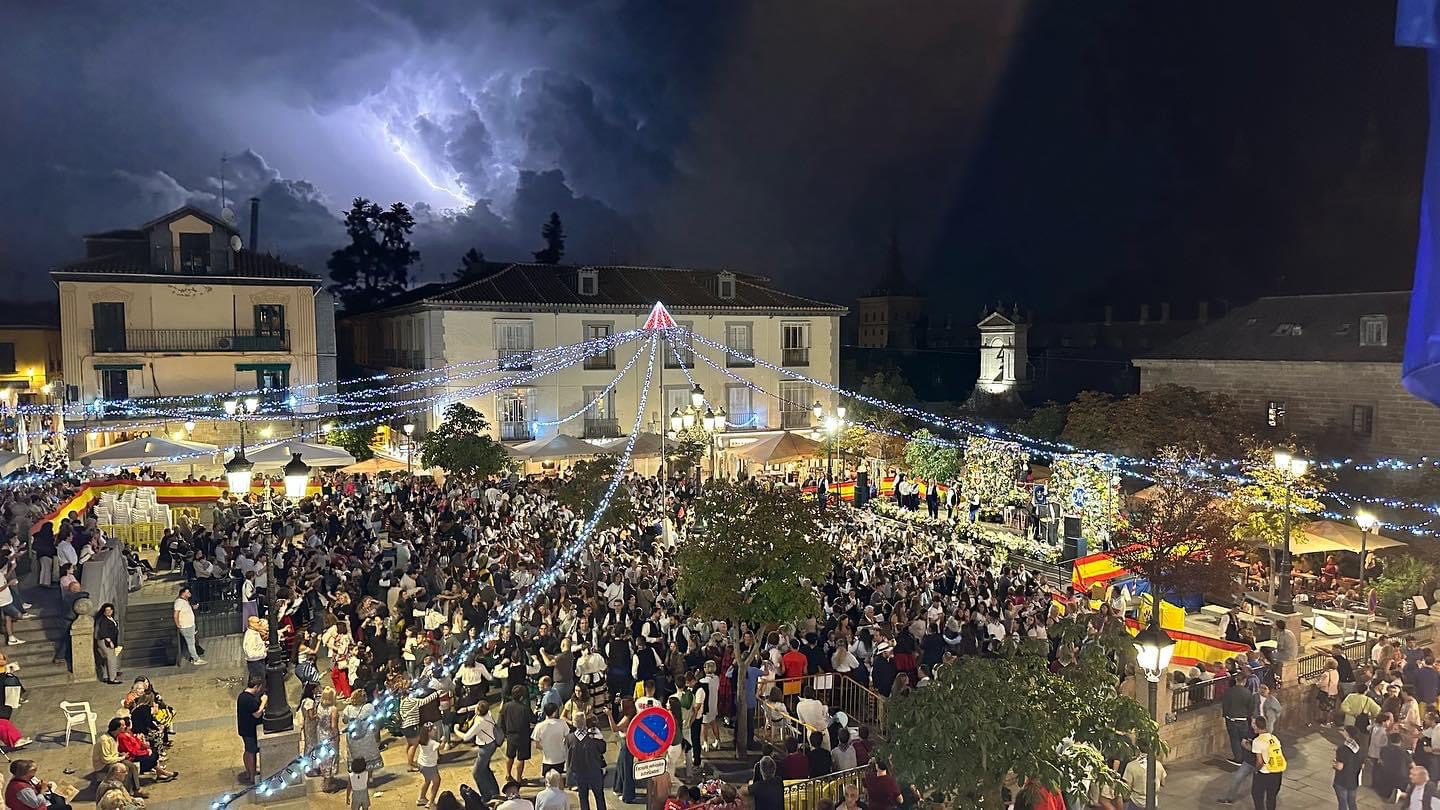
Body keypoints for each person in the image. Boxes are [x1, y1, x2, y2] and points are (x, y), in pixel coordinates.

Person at [458, 700, 501, 803]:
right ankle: (494, 791)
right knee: (485, 768)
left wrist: (456, 729)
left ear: (478, 711)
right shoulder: (488, 713)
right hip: (492, 743)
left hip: (485, 748)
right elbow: (477, 706)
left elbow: (466, 737)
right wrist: (467, 709)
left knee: (477, 773)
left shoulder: (479, 722)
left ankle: (486, 795)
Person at [567, 716, 607, 810]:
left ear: (574, 724)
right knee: (599, 797)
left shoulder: (570, 738)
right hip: (594, 772)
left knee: (583, 798)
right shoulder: (594, 738)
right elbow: (603, 749)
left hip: (579, 773)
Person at [236, 675, 267, 785]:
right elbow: (257, 714)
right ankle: (252, 776)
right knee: (251, 752)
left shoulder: (242, 695)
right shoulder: (248, 699)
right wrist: (264, 702)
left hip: (244, 728)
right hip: (249, 730)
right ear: (257, 686)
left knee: (248, 751)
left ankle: (250, 773)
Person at [4, 759, 70, 810]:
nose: (34, 776)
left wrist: (39, 786)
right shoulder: (22, 789)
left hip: (31, 804)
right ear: (24, 775)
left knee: (60, 799)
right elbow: (35, 804)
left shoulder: (19, 779)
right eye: (31, 775)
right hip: (32, 807)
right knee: (66, 807)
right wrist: (42, 791)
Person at [1249, 716, 1285, 810]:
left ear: (1257, 727)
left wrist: (1256, 771)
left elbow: (1260, 761)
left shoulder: (1257, 741)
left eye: (1253, 724)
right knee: (1271, 798)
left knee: (1257, 795)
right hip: (1277, 772)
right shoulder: (1274, 738)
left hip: (1265, 773)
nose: (1252, 726)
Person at [500, 685, 532, 784]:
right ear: (522, 696)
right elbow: (532, 719)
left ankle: (508, 774)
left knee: (510, 756)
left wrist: (504, 733)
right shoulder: (524, 708)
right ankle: (519, 778)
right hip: (522, 736)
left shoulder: (506, 706)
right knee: (521, 758)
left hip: (510, 735)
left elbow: (501, 721)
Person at [532, 702, 569, 777]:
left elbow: (537, 745)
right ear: (555, 712)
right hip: (560, 758)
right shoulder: (562, 724)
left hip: (547, 759)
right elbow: (567, 739)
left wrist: (547, 748)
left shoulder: (539, 726)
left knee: (548, 780)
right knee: (560, 778)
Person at [1333, 723, 1363, 810]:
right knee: (1352, 803)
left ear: (1347, 734)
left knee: (1343, 804)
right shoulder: (1360, 748)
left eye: (1344, 731)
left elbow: (1340, 767)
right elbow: (1362, 765)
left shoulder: (1342, 749)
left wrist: (1334, 764)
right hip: (1353, 781)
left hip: (1342, 781)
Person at [174, 586, 205, 665]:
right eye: (188, 592)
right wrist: (178, 624)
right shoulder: (179, 602)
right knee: (191, 643)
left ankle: (195, 657)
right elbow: (176, 614)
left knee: (192, 642)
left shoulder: (185, 601)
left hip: (190, 625)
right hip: (186, 626)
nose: (190, 594)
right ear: (183, 593)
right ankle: (195, 659)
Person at [94, 603, 123, 684]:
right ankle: (112, 678)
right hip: (105, 641)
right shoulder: (103, 620)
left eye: (110, 610)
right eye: (107, 610)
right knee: (111, 659)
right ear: (104, 611)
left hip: (110, 641)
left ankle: (106, 676)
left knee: (108, 659)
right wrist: (110, 642)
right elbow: (103, 632)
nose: (109, 611)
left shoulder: (110, 618)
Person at [415, 725, 442, 808]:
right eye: (433, 730)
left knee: (427, 780)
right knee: (437, 782)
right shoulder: (432, 743)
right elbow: (442, 747)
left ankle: (421, 798)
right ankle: (431, 802)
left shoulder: (422, 740)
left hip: (421, 764)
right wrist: (443, 741)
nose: (435, 731)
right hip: (430, 766)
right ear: (428, 733)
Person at [242, 617, 268, 682]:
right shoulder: (250, 636)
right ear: (252, 624)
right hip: (255, 663)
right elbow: (250, 654)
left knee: (261, 680)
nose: (260, 623)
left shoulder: (255, 632)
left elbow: (257, 645)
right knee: (258, 682)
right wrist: (263, 652)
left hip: (259, 661)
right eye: (258, 622)